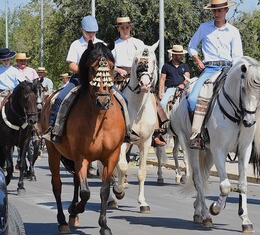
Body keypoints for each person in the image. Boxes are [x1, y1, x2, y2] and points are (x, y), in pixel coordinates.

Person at [43, 15, 137, 143]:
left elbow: (109, 64)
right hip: (79, 79)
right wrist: (84, 73)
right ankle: (54, 129)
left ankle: (128, 131)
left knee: (123, 99)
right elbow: (71, 63)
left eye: (93, 32)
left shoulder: (102, 45)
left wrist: (116, 70)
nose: (91, 35)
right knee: (61, 98)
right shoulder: (76, 44)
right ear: (82, 30)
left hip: (102, 80)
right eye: (88, 32)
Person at [187, 0, 243, 149]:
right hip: (209, 69)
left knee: (245, 96)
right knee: (192, 99)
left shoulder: (233, 31)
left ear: (226, 10)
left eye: (220, 10)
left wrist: (234, 72)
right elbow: (191, 46)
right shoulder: (204, 28)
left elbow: (238, 56)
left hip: (228, 69)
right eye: (214, 10)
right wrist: (198, 60)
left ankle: (246, 136)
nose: (217, 13)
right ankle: (197, 134)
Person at [112, 16, 168, 147]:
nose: (125, 30)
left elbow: (146, 59)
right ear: (118, 29)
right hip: (120, 79)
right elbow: (111, 63)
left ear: (130, 28)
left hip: (138, 77)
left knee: (153, 100)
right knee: (111, 100)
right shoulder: (114, 45)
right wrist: (118, 70)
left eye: (127, 27)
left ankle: (155, 132)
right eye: (122, 28)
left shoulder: (139, 43)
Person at [159, 45, 190, 109]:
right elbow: (162, 79)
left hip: (183, 89)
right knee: (162, 104)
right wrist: (160, 93)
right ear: (174, 55)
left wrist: (183, 84)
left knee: (190, 103)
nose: (182, 57)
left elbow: (187, 78)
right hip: (170, 89)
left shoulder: (185, 66)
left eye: (182, 55)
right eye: (180, 55)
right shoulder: (166, 66)